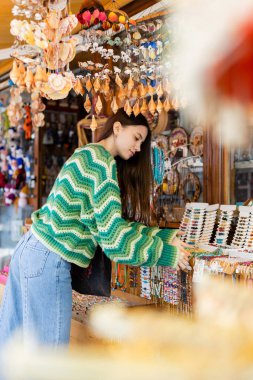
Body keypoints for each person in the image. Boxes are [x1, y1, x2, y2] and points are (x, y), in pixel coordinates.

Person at [0, 109, 190, 346]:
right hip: (48, 259)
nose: (139, 148)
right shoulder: (101, 162)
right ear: (118, 128)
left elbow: (108, 228)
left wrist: (161, 234)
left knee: (16, 354)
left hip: (30, 252)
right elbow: (115, 241)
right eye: (136, 138)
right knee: (47, 359)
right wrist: (166, 254)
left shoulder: (88, 155)